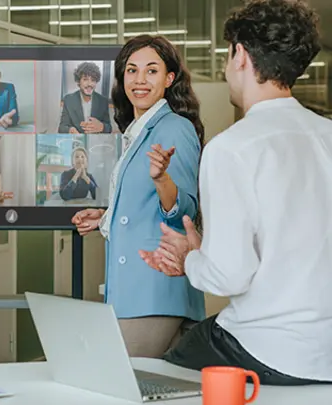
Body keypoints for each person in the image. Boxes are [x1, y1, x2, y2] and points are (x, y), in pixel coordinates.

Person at [140, 0, 332, 386]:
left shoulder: (233, 148)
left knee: (159, 375)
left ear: (239, 55)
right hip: (325, 352)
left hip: (269, 348)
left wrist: (191, 257)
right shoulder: (327, 135)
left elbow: (229, 277)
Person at [71, 34, 206, 358]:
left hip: (155, 287)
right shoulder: (139, 129)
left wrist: (162, 179)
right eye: (132, 70)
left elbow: (185, 210)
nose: (140, 80)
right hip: (135, 289)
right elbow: (141, 206)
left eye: (151, 71)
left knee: (119, 380)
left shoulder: (174, 127)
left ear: (169, 78)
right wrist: (107, 217)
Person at [58, 62, 112, 134]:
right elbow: (62, 127)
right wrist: (70, 130)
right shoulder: (69, 100)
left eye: (93, 80)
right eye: (85, 79)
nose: (89, 84)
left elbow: (109, 128)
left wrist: (102, 127)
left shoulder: (103, 101)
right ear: (78, 81)